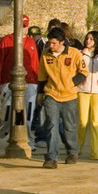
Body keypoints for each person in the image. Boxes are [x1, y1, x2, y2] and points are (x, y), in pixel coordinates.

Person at [37, 28, 85, 168]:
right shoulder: (45, 54)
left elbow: (83, 72)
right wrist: (40, 93)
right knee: (51, 125)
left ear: (62, 42)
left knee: (69, 126)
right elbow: (42, 76)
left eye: (54, 43)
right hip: (51, 94)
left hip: (69, 96)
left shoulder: (74, 53)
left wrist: (71, 83)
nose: (51, 46)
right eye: (49, 43)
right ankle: (51, 157)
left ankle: (72, 151)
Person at [0, 17, 40, 148]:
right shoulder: (6, 41)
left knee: (26, 114)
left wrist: (37, 83)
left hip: (29, 82)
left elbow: (35, 63)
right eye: (20, 26)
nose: (22, 29)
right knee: (7, 113)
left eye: (24, 26)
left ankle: (26, 140)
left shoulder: (30, 42)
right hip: (8, 81)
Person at [76, 30, 98, 160]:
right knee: (82, 121)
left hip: (97, 91)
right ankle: (77, 149)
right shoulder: (80, 54)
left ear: (96, 40)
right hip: (82, 90)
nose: (88, 41)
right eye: (87, 38)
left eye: (91, 39)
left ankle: (96, 152)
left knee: (96, 122)